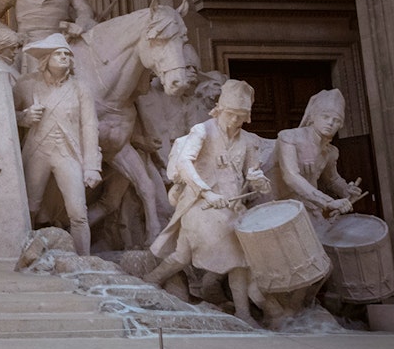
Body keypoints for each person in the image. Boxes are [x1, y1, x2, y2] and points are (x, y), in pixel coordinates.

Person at [146, 79, 271, 323]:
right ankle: (153, 281)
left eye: (240, 116)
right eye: (231, 114)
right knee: (201, 254)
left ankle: (242, 312)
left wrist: (258, 180)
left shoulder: (247, 141)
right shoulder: (202, 131)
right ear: (220, 110)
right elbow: (184, 163)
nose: (235, 121)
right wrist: (206, 192)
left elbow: (252, 173)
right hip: (199, 205)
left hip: (231, 209)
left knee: (232, 259)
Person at [13, 33, 102, 255]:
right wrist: (24, 117)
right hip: (37, 151)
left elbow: (90, 127)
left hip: (67, 153)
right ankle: (24, 255)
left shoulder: (81, 88)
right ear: (46, 59)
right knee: (29, 208)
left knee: (78, 212)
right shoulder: (27, 84)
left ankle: (84, 260)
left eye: (67, 54)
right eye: (58, 53)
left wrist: (92, 165)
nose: (64, 57)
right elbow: (3, 114)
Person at [272, 89, 360, 224]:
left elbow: (332, 179)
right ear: (313, 116)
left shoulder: (331, 151)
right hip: (279, 205)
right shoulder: (289, 138)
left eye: (336, 120)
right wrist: (328, 202)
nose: (330, 123)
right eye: (325, 117)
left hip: (309, 205)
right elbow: (291, 176)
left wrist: (347, 190)